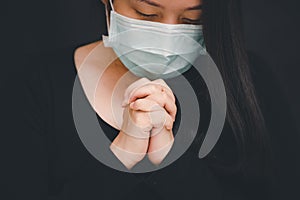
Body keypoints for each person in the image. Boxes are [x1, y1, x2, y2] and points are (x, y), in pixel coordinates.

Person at [2, 0, 298, 199]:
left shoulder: (248, 82)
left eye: (191, 18)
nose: (168, 35)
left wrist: (169, 160)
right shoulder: (37, 87)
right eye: (147, 14)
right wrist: (123, 154)